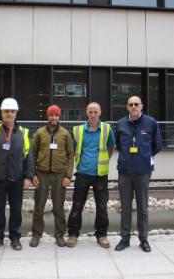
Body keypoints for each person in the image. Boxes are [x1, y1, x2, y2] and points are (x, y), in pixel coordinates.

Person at [0, 98, 34, 251]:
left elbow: (29, 157)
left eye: (12, 111)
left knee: (16, 210)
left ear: (16, 113)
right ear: (2, 113)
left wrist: (28, 177)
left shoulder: (23, 133)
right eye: (6, 111)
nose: (9, 114)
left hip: (17, 179)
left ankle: (15, 238)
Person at [114, 96, 162, 252]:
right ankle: (125, 239)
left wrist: (143, 157)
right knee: (125, 206)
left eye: (136, 104)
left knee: (142, 207)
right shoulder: (121, 123)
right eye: (130, 104)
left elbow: (157, 146)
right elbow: (119, 145)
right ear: (127, 107)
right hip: (125, 172)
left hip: (143, 171)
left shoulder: (151, 122)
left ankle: (144, 240)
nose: (133, 106)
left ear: (142, 106)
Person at [66, 102, 115, 249]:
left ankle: (101, 235)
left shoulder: (107, 129)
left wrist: (103, 161)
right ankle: (73, 234)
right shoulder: (79, 130)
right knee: (77, 205)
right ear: (86, 113)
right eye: (90, 112)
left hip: (100, 174)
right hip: (82, 173)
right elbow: (72, 149)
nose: (93, 115)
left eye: (95, 112)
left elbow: (110, 148)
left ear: (99, 113)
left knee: (102, 206)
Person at [29, 105, 75, 248]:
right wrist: (33, 174)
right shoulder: (40, 133)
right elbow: (32, 154)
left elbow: (70, 155)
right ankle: (36, 234)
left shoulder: (65, 134)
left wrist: (68, 175)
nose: (54, 117)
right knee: (39, 206)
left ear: (59, 117)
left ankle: (59, 234)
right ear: (47, 117)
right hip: (41, 173)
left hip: (59, 175)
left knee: (58, 207)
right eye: (51, 115)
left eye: (56, 115)